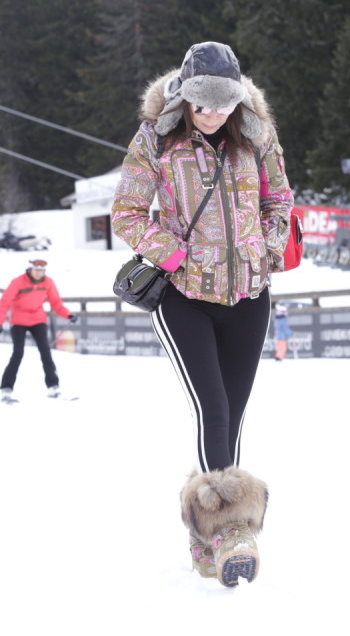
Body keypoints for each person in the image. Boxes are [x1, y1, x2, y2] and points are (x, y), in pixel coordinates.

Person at [111, 41, 293, 587]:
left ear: (237, 100)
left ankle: (204, 535)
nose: (212, 115)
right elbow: (125, 210)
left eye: (222, 105)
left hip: (249, 296)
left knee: (232, 415)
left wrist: (268, 246)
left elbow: (279, 199)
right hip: (184, 298)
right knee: (213, 410)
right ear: (185, 98)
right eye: (201, 105)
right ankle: (229, 531)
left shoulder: (257, 134)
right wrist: (169, 250)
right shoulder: (156, 139)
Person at [0, 258, 77, 400]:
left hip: (38, 320)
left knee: (45, 352)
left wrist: (68, 315)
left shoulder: (48, 282)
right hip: (19, 320)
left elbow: (56, 302)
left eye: (42, 271)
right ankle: (6, 388)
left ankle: (53, 387)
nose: (39, 273)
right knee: (18, 353)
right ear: (30, 269)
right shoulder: (18, 282)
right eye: (36, 270)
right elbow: (5, 302)